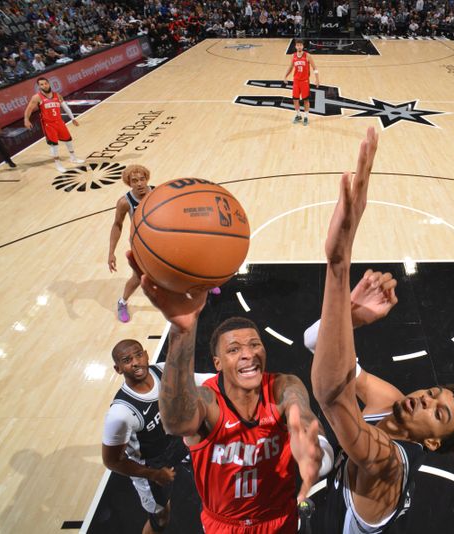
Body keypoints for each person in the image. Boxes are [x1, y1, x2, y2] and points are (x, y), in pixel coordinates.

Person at [309, 127, 454, 532]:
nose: (423, 399)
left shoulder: (389, 463)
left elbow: (332, 395)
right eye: (433, 394)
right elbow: (317, 345)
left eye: (438, 413)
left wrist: (339, 264)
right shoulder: (388, 399)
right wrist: (349, 317)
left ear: (432, 442)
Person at [123, 255, 333, 534]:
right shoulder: (206, 400)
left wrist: (314, 446)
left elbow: (300, 412)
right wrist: (181, 330)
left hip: (279, 518)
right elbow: (176, 423)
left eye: (255, 344)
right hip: (225, 525)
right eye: (234, 349)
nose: (248, 353)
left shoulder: (283, 386)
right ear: (217, 363)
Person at [102, 339, 212, 534]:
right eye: (127, 360)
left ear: (145, 354)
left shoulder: (163, 371)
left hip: (177, 443)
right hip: (152, 465)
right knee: (161, 517)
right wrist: (154, 474)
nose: (135, 362)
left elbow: (202, 380)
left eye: (138, 354)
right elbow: (112, 461)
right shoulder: (120, 413)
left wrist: (234, 378)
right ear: (118, 369)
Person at [108, 165, 154, 323]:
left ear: (147, 179)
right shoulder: (124, 202)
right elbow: (117, 225)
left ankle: (203, 288)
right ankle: (122, 302)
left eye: (142, 179)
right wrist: (111, 252)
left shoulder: (158, 192)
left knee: (185, 263)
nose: (140, 183)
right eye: (135, 181)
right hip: (140, 244)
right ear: (129, 183)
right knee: (138, 276)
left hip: (163, 240)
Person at [23, 76, 84, 173]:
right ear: (39, 87)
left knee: (68, 140)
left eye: (45, 83)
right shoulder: (37, 97)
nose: (44, 85)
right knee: (54, 145)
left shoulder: (57, 95)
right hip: (48, 125)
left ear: (49, 83)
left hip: (59, 122)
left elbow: (66, 107)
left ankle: (73, 158)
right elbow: (29, 109)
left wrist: (72, 118)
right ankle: (58, 165)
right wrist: (26, 119)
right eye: (41, 84)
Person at [283, 38, 319, 126]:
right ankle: (298, 115)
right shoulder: (293, 56)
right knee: (295, 99)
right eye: (297, 45)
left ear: (303, 46)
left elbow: (315, 68)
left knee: (306, 100)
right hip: (296, 81)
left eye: (300, 45)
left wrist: (317, 79)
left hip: (305, 81)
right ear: (295, 46)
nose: (299, 47)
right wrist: (285, 76)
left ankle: (306, 117)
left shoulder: (308, 56)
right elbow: (291, 67)